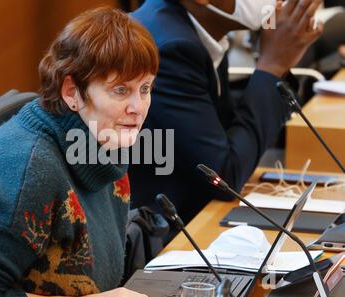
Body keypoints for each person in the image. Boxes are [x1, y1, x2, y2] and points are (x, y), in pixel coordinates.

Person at [0, 7, 158, 297]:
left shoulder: (105, 140)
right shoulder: (29, 173)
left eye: (145, 88)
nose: (138, 107)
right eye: (120, 90)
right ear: (71, 92)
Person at [128, 0, 324, 235]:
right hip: (161, 235)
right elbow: (223, 179)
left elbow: (226, 137)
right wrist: (273, 65)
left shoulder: (197, 29)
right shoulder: (172, 47)